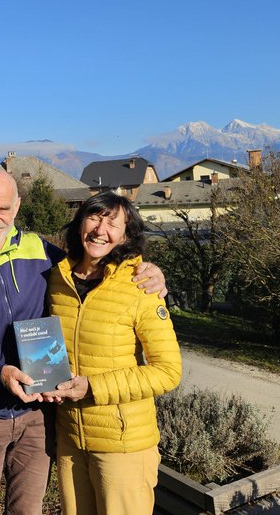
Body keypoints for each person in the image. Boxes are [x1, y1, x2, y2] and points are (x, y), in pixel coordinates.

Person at [0, 168, 167, 515]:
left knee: (28, 511)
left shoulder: (42, 253)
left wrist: (150, 271)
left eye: (3, 208)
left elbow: (93, 264)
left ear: (17, 206)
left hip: (38, 413)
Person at [42, 192, 182, 515]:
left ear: (126, 235)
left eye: (113, 223)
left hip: (122, 446)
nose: (100, 229)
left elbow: (168, 371)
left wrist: (93, 387)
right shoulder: (57, 279)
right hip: (71, 441)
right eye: (94, 217)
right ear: (80, 224)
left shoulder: (140, 284)